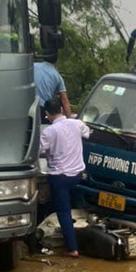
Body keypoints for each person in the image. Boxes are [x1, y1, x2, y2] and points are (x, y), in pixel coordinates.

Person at [39, 97, 91, 258]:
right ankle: (87, 241)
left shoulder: (49, 131)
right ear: (61, 109)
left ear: (47, 114)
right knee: (78, 209)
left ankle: (73, 248)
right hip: (77, 176)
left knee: (63, 212)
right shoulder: (77, 124)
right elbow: (87, 133)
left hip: (59, 177)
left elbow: (37, 150)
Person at [34, 52, 72, 123]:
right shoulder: (57, 76)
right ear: (56, 62)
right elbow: (64, 100)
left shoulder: (33, 66)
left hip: (24, 104)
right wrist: (69, 121)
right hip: (41, 108)